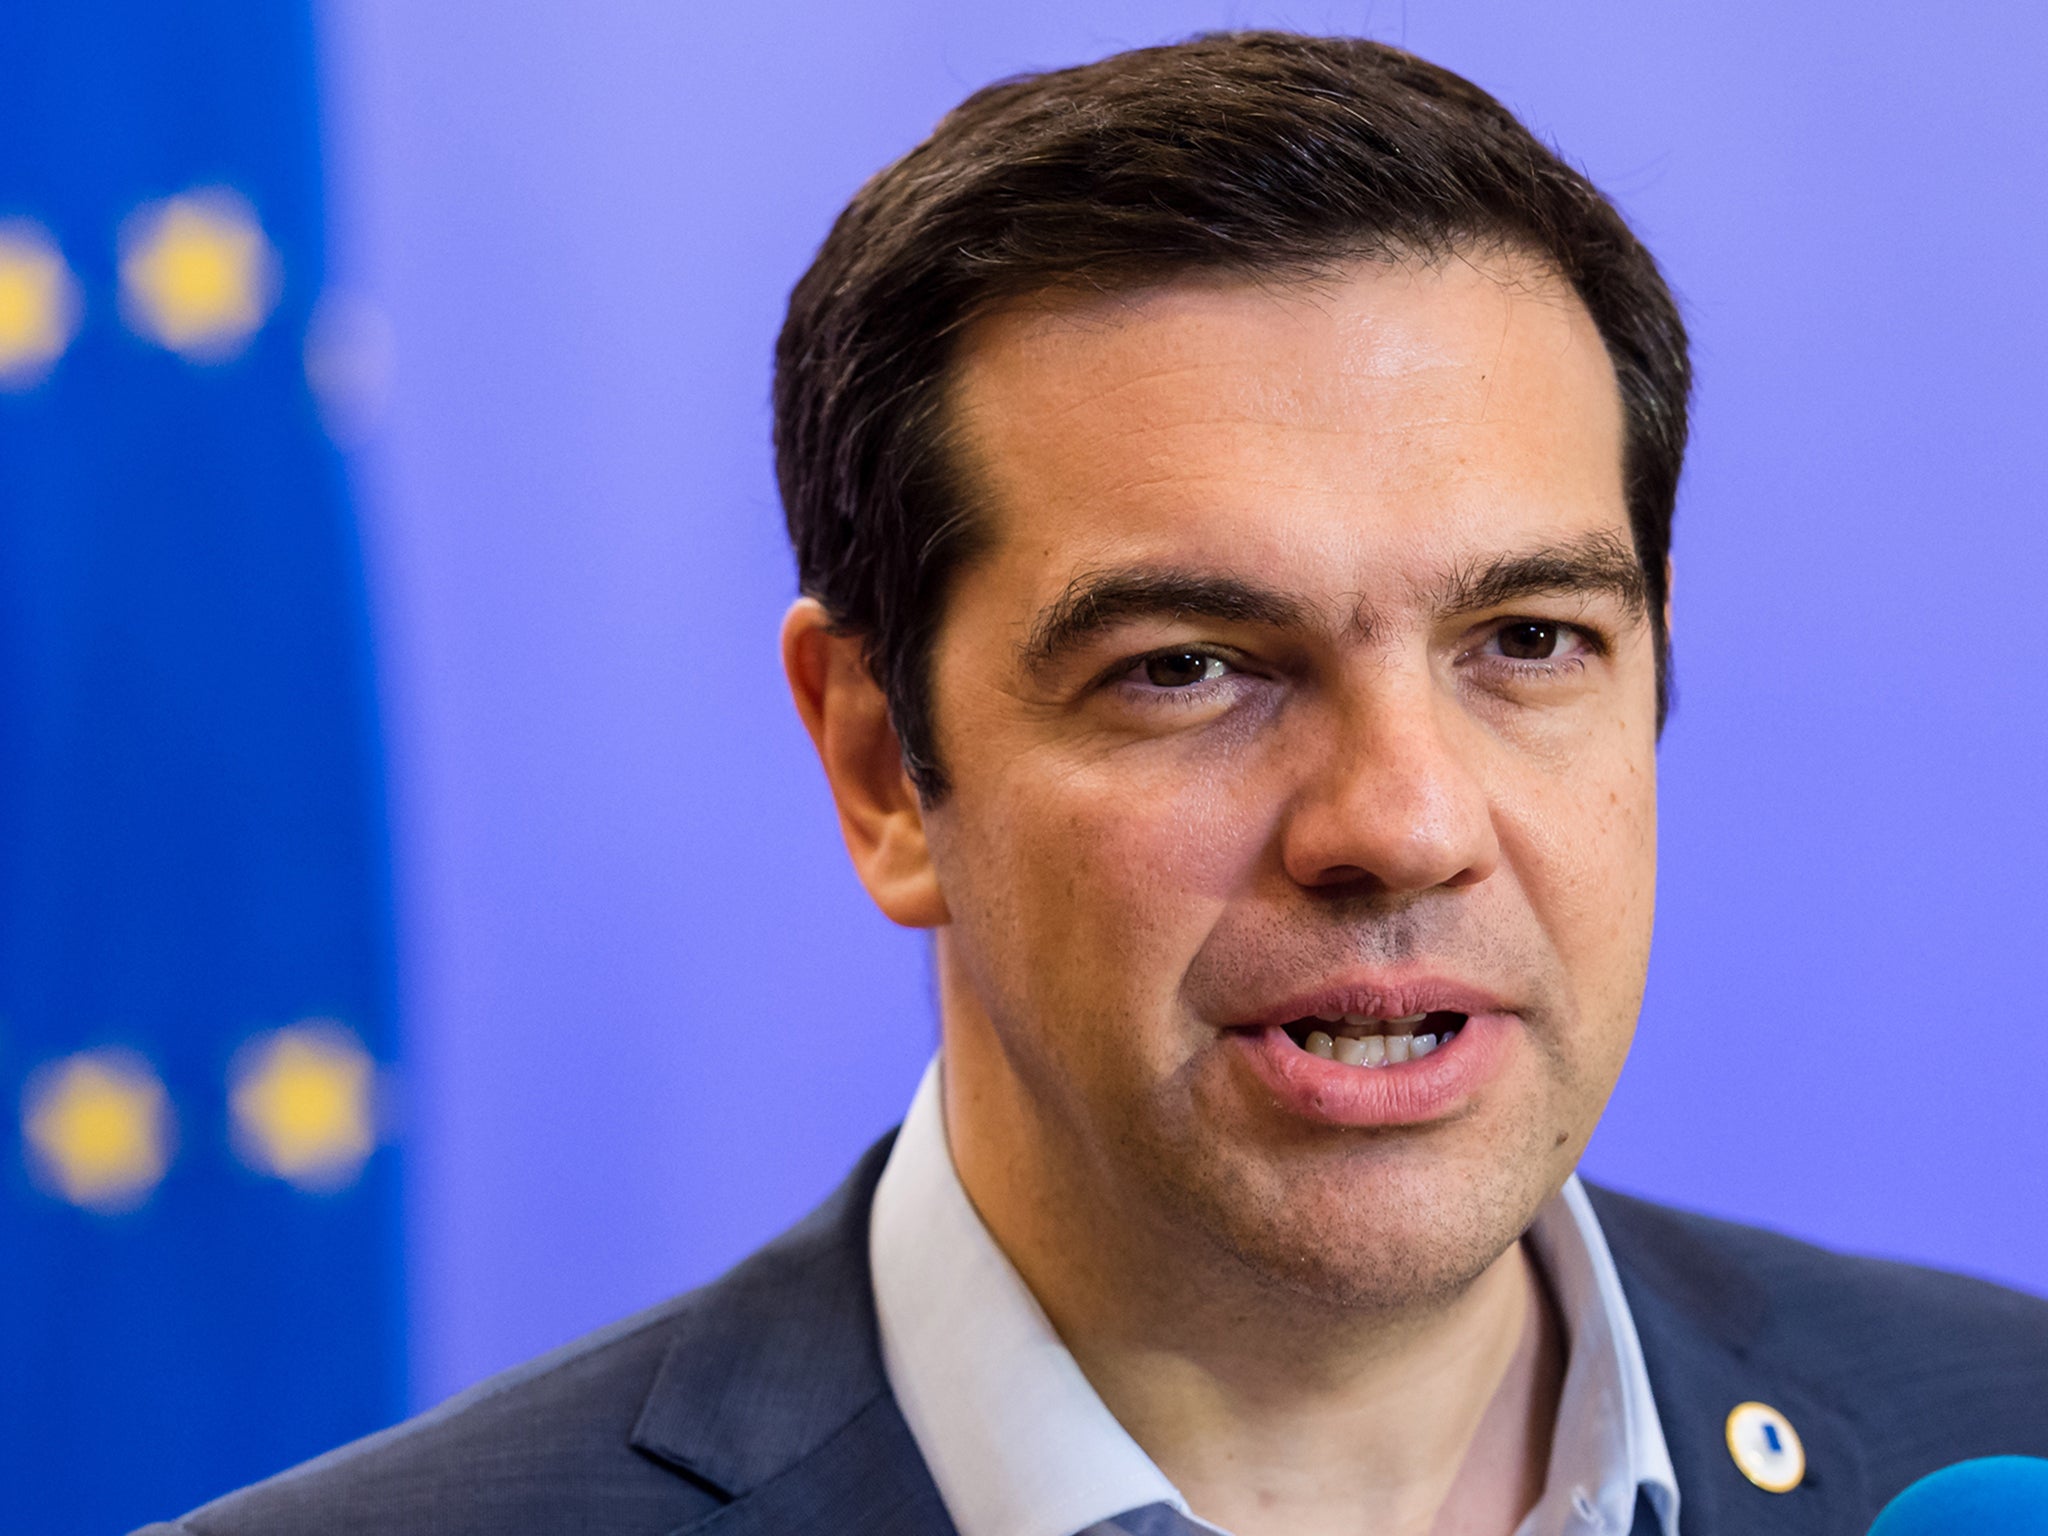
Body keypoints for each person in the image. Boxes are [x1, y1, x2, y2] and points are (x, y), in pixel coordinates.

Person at [140, 31, 2048, 1536]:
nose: (1401, 820)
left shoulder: (1999, 1452)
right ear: (885, 766)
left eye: (1529, 641)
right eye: (1191, 670)